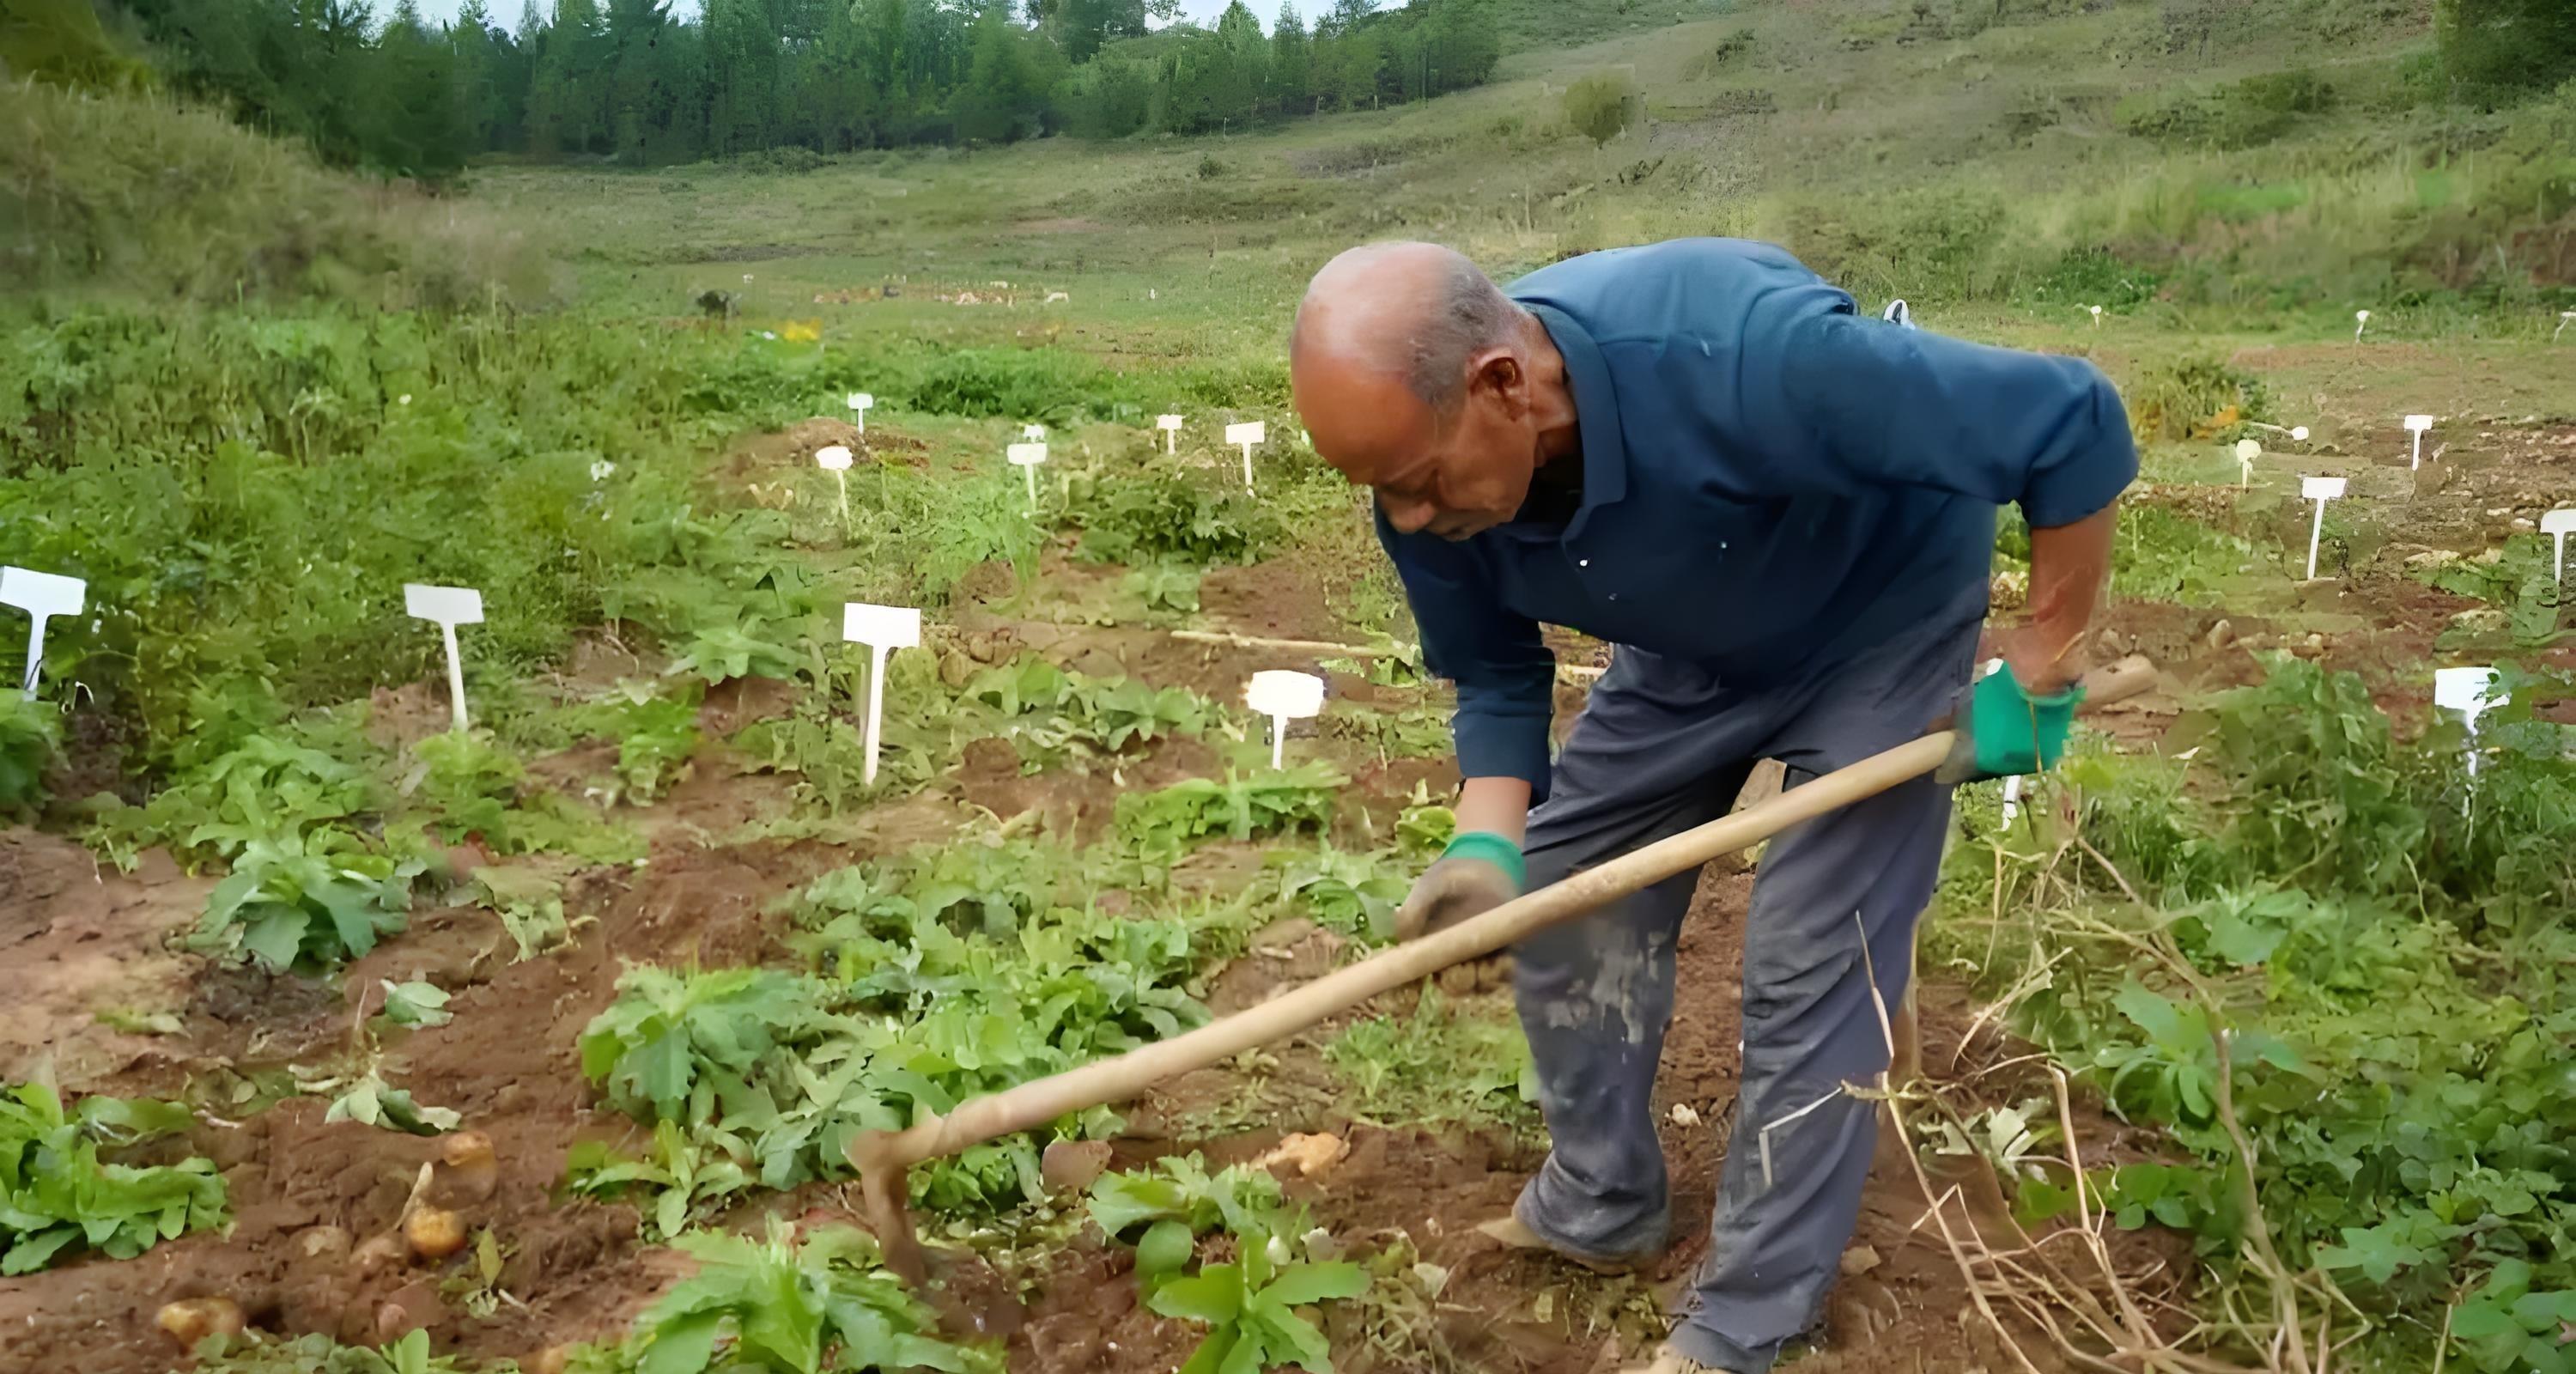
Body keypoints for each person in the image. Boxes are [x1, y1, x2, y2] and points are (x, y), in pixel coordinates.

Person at [1287, 239, 2136, 1374]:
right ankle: (1601, 1205)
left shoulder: (1749, 359)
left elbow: (2072, 425)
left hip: (1877, 621)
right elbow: (1496, 673)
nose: (1407, 513)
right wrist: (1488, 845)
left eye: (1423, 478)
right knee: (1561, 901)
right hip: (1686, 643)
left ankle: (1749, 1318)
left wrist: (2046, 661)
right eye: (1380, 489)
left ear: (1504, 385)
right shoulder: (1421, 491)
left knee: (1811, 959)